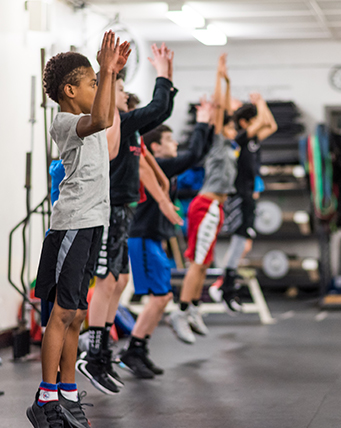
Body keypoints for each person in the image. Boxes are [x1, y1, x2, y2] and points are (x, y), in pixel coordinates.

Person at [27, 31, 129, 428]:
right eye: (89, 83)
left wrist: (109, 75)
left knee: (77, 314)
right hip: (72, 225)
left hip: (93, 223)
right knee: (61, 312)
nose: (96, 88)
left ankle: (67, 394)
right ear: (71, 90)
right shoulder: (66, 122)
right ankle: (46, 399)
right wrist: (105, 71)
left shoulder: (91, 122)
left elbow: (107, 120)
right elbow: (102, 117)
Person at [76, 42, 182, 396]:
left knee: (119, 281)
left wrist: (164, 199)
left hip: (123, 208)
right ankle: (94, 353)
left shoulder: (128, 125)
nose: (125, 94)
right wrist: (163, 73)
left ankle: (102, 351)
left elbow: (147, 173)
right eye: (120, 90)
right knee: (107, 281)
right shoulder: (112, 120)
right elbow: (161, 107)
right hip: (107, 209)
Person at [121, 106, 213, 378]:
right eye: (170, 140)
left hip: (152, 240)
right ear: (156, 148)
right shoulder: (159, 165)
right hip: (143, 239)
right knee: (160, 298)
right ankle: (132, 351)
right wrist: (202, 122)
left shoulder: (165, 170)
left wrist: (209, 127)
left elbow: (200, 155)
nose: (175, 144)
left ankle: (138, 349)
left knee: (162, 298)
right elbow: (194, 154)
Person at [168, 53, 239, 343]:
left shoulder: (230, 146)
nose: (233, 129)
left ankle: (194, 307)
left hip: (215, 207)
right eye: (230, 125)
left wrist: (228, 81)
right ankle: (180, 312)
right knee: (197, 263)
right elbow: (221, 108)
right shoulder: (218, 142)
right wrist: (222, 77)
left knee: (205, 263)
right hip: (205, 205)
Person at [209, 93, 277, 312]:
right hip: (238, 195)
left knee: (244, 242)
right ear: (245, 123)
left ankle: (225, 284)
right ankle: (225, 286)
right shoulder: (239, 139)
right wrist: (260, 103)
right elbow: (262, 122)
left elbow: (270, 125)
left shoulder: (253, 140)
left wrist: (261, 105)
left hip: (248, 194)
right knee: (240, 240)